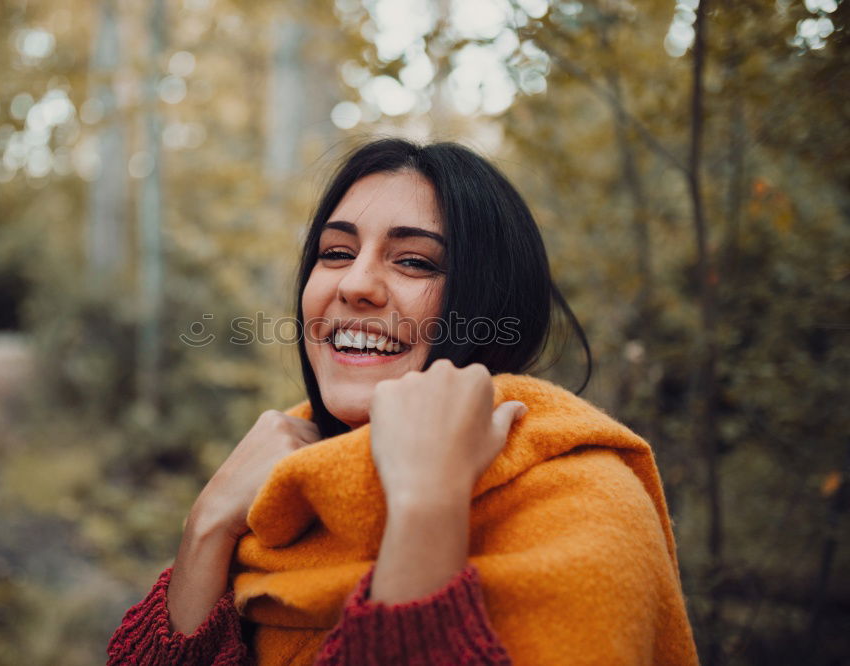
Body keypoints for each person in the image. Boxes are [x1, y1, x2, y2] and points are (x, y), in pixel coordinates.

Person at [107, 138, 699, 665]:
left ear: (492, 301)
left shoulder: (588, 507)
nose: (355, 284)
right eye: (336, 253)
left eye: (414, 261)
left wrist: (426, 509)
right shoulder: (279, 484)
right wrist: (207, 526)